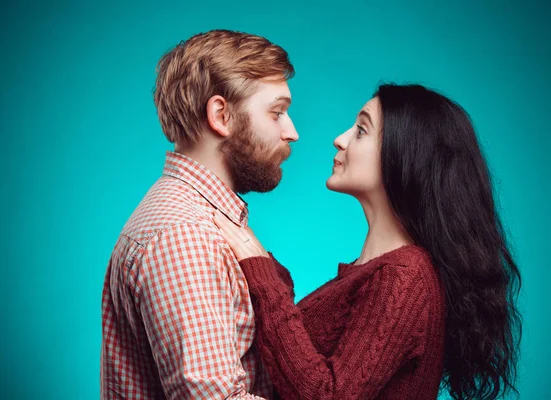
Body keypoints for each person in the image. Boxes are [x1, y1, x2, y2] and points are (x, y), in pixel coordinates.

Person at [215, 83, 522, 400]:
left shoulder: (403, 277)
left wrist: (263, 276)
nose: (340, 139)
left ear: (405, 157)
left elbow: (328, 395)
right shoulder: (382, 271)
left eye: (361, 130)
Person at [101, 29, 299, 399]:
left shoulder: (194, 221)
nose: (292, 132)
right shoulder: (184, 236)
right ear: (221, 115)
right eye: (277, 112)